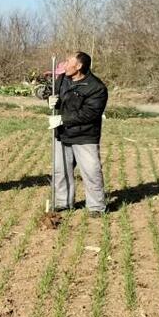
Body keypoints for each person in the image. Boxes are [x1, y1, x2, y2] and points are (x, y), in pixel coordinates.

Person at [49, 51, 108, 214]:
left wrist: (62, 119)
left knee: (91, 172)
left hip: (85, 136)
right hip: (62, 134)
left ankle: (96, 206)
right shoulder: (62, 80)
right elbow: (52, 93)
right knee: (61, 170)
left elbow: (90, 113)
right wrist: (50, 99)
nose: (64, 64)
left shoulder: (96, 88)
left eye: (68, 62)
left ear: (79, 66)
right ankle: (63, 202)